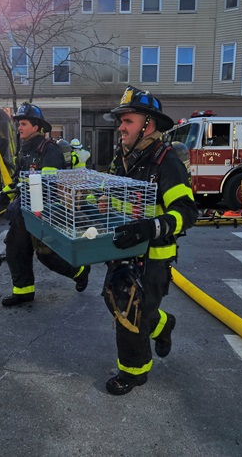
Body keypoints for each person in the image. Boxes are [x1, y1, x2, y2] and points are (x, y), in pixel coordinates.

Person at [102, 86, 199, 395]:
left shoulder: (166, 162)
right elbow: (112, 198)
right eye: (121, 121)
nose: (121, 127)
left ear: (148, 124)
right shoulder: (122, 158)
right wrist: (93, 202)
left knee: (130, 310)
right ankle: (161, 324)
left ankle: (134, 372)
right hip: (122, 249)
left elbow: (187, 212)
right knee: (113, 300)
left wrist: (149, 228)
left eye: (127, 121)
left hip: (152, 255)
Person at [0, 102, 90, 306]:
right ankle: (23, 292)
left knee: (47, 256)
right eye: (19, 124)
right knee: (15, 250)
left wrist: (21, 200)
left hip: (43, 214)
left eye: (23, 124)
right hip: (24, 213)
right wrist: (4, 196)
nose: (19, 128)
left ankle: (80, 271)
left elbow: (47, 187)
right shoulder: (24, 150)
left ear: (36, 127)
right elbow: (18, 179)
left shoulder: (49, 150)